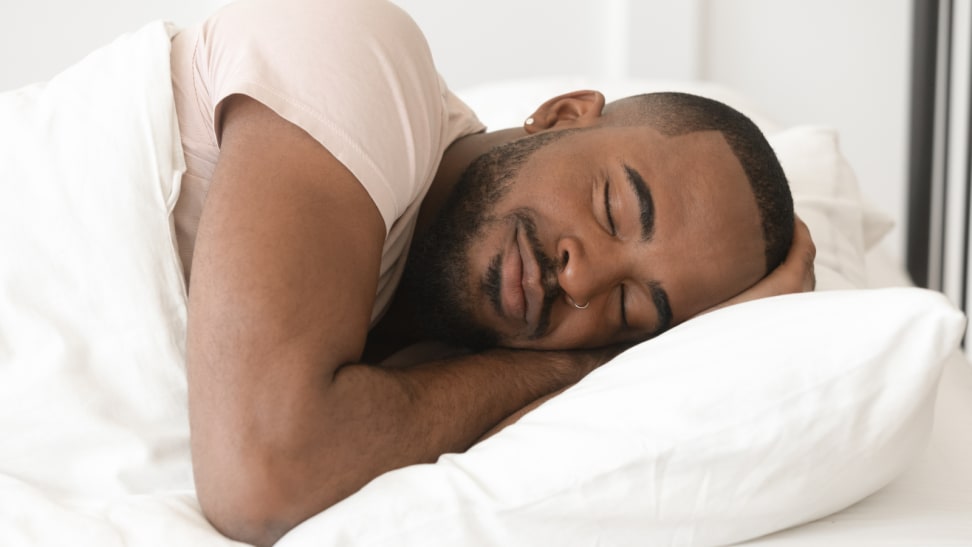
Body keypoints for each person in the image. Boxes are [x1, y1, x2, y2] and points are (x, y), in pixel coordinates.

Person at [171, 0, 814, 544]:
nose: (583, 282)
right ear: (562, 115)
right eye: (613, 208)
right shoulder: (356, 55)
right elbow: (264, 479)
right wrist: (579, 365)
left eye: (628, 310)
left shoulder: (451, 361)